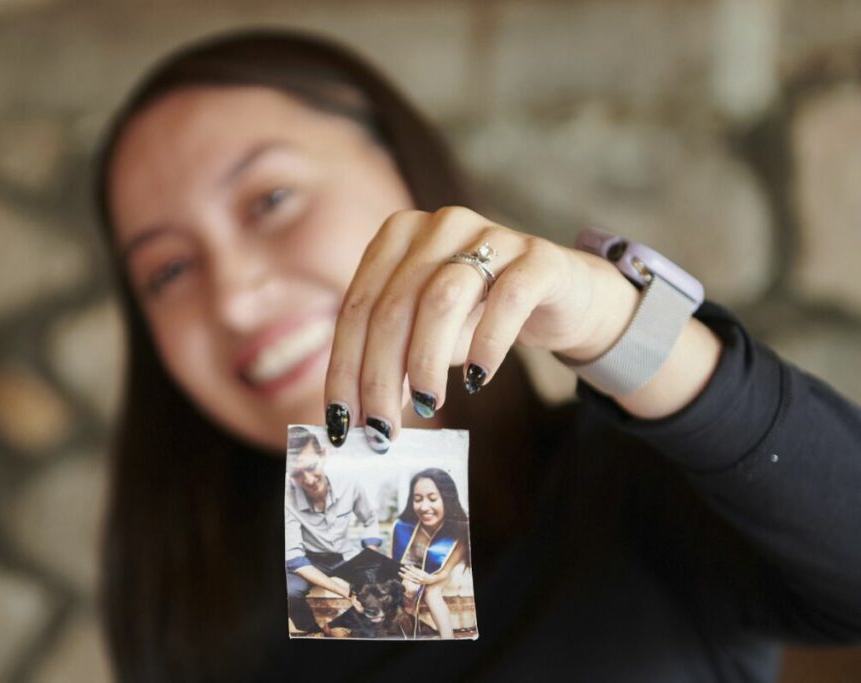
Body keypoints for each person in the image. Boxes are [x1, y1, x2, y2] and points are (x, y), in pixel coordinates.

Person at [93, 27, 861, 682]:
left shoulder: (631, 486)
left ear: (403, 166)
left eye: (270, 199)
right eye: (167, 269)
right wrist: (373, 465)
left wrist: (618, 323)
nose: (232, 294)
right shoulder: (211, 613)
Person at [284, 426, 383, 634]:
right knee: (289, 590)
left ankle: (353, 631)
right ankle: (312, 632)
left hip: (345, 554)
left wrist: (370, 552)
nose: (309, 480)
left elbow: (370, 519)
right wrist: (342, 590)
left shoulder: (350, 481)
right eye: (297, 474)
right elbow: (294, 558)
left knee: (378, 579)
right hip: (309, 561)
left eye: (312, 467)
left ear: (323, 455)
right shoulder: (287, 497)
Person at [392, 468, 472, 639]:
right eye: (417, 499)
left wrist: (431, 579)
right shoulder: (404, 526)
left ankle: (447, 639)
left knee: (432, 591)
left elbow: (445, 570)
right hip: (417, 572)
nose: (423, 507)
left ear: (447, 499)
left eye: (433, 499)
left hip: (445, 572)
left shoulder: (460, 528)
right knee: (407, 588)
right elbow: (398, 565)